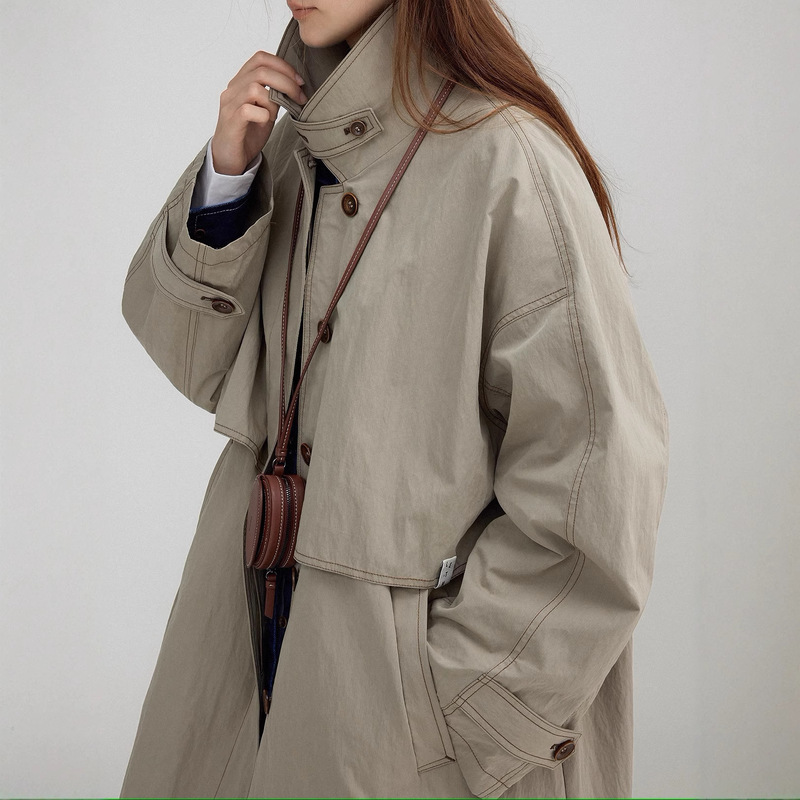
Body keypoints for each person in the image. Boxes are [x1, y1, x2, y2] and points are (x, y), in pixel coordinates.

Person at [119, 0, 670, 797]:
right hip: (253, 636)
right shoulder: (295, 144)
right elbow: (194, 360)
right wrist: (228, 177)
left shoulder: (509, 164)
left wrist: (449, 713)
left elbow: (599, 483)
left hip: (402, 724)